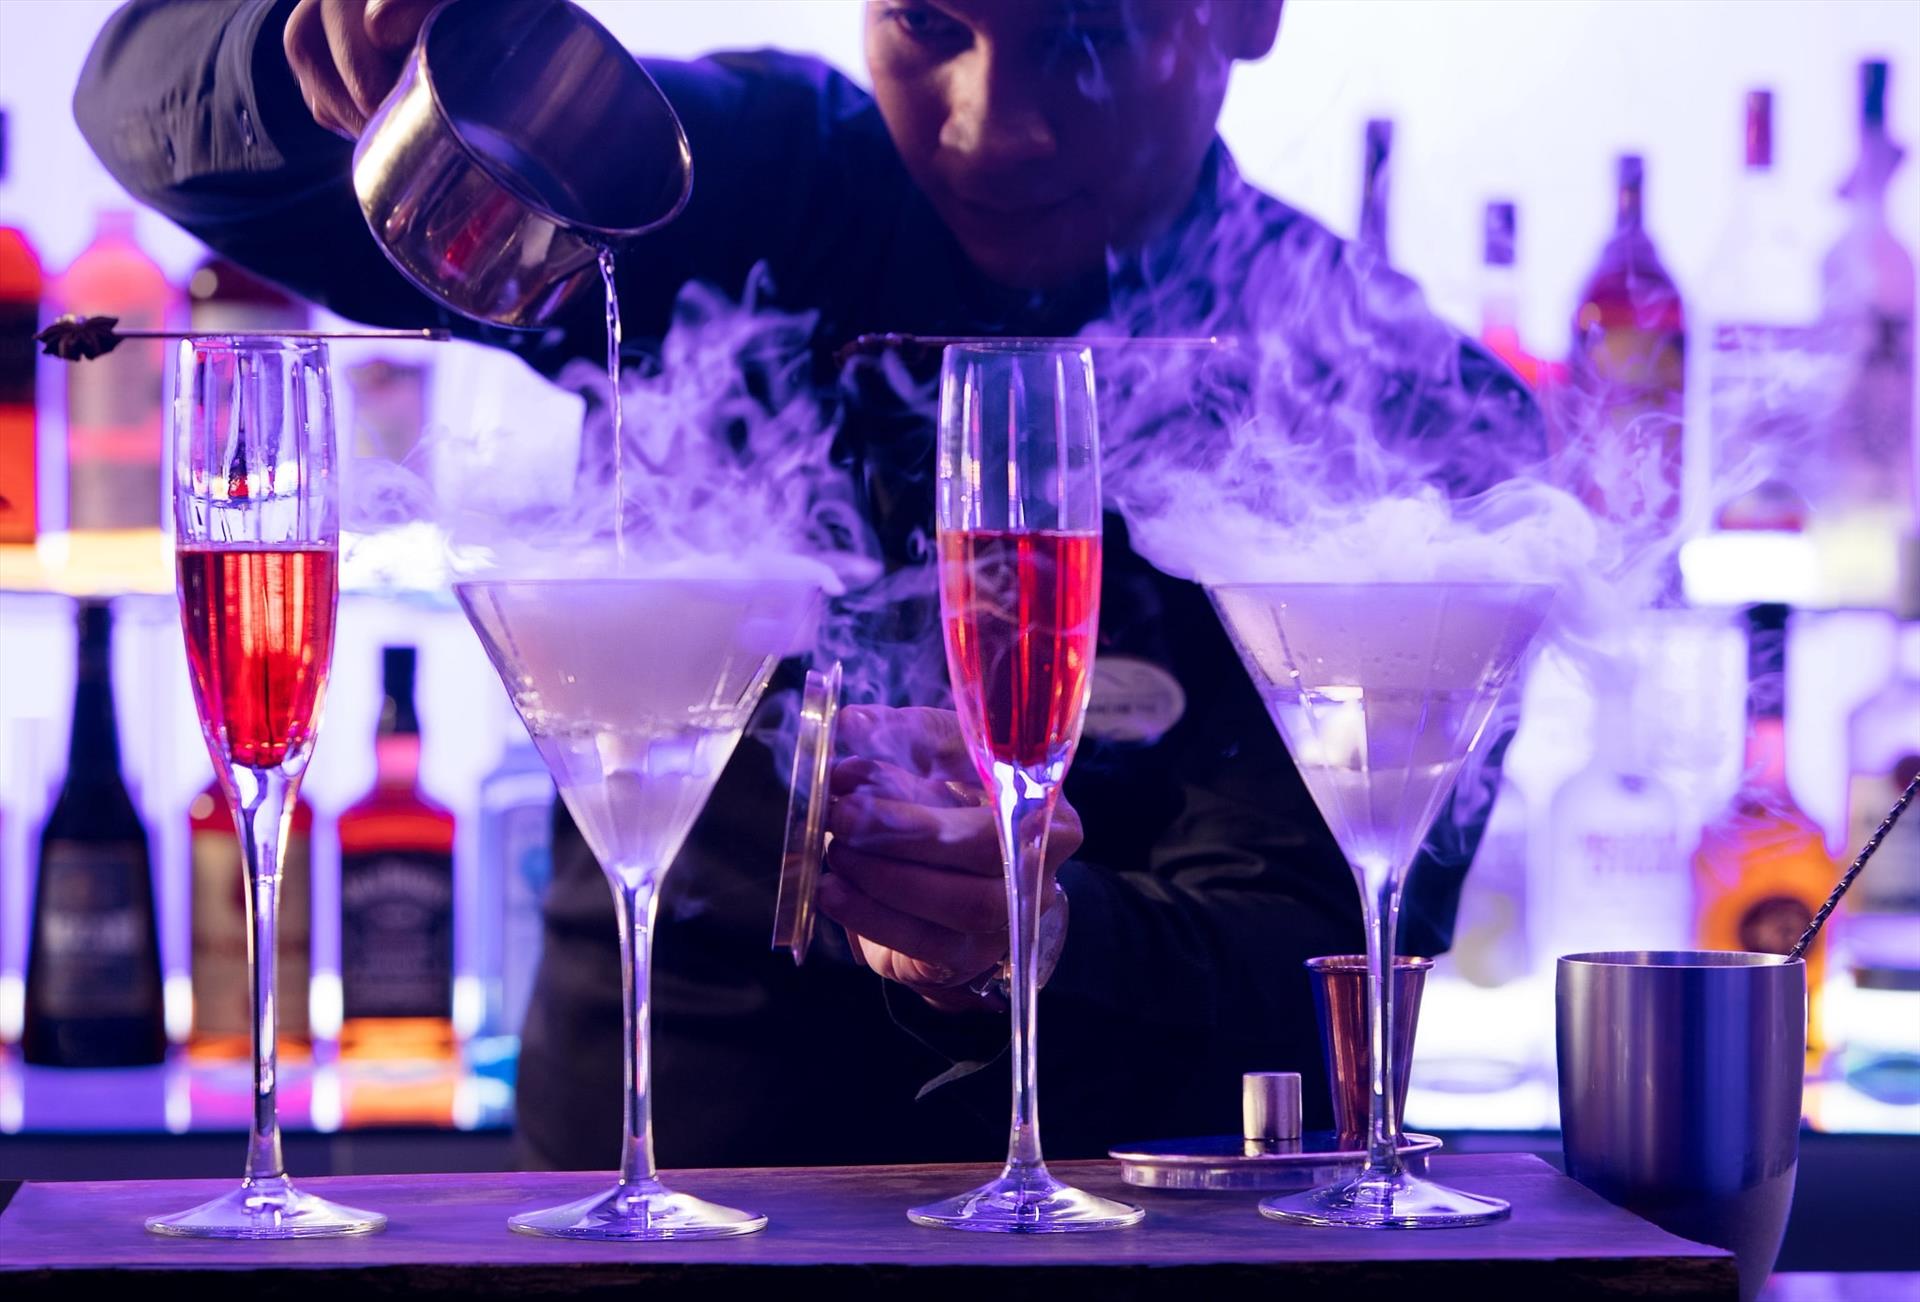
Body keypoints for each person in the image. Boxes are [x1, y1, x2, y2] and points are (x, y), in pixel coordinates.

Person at [75, 0, 1543, 1169]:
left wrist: (1046, 937)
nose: (997, 125)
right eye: (928, 26)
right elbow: (144, 107)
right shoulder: (757, 187)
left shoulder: (1409, 416)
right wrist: (326, 47)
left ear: (1248, 11)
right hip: (640, 1209)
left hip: (1129, 1238)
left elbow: (1327, 973)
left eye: (1084, 36)